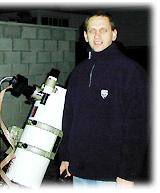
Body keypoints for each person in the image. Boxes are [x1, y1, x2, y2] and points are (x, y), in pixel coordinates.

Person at [59, 11, 148, 188]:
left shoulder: (130, 72)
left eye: (103, 30)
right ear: (85, 36)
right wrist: (66, 157)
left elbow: (138, 127)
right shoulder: (78, 73)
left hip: (112, 176)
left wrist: (127, 173)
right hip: (80, 171)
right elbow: (68, 119)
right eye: (92, 31)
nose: (97, 35)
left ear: (114, 34)